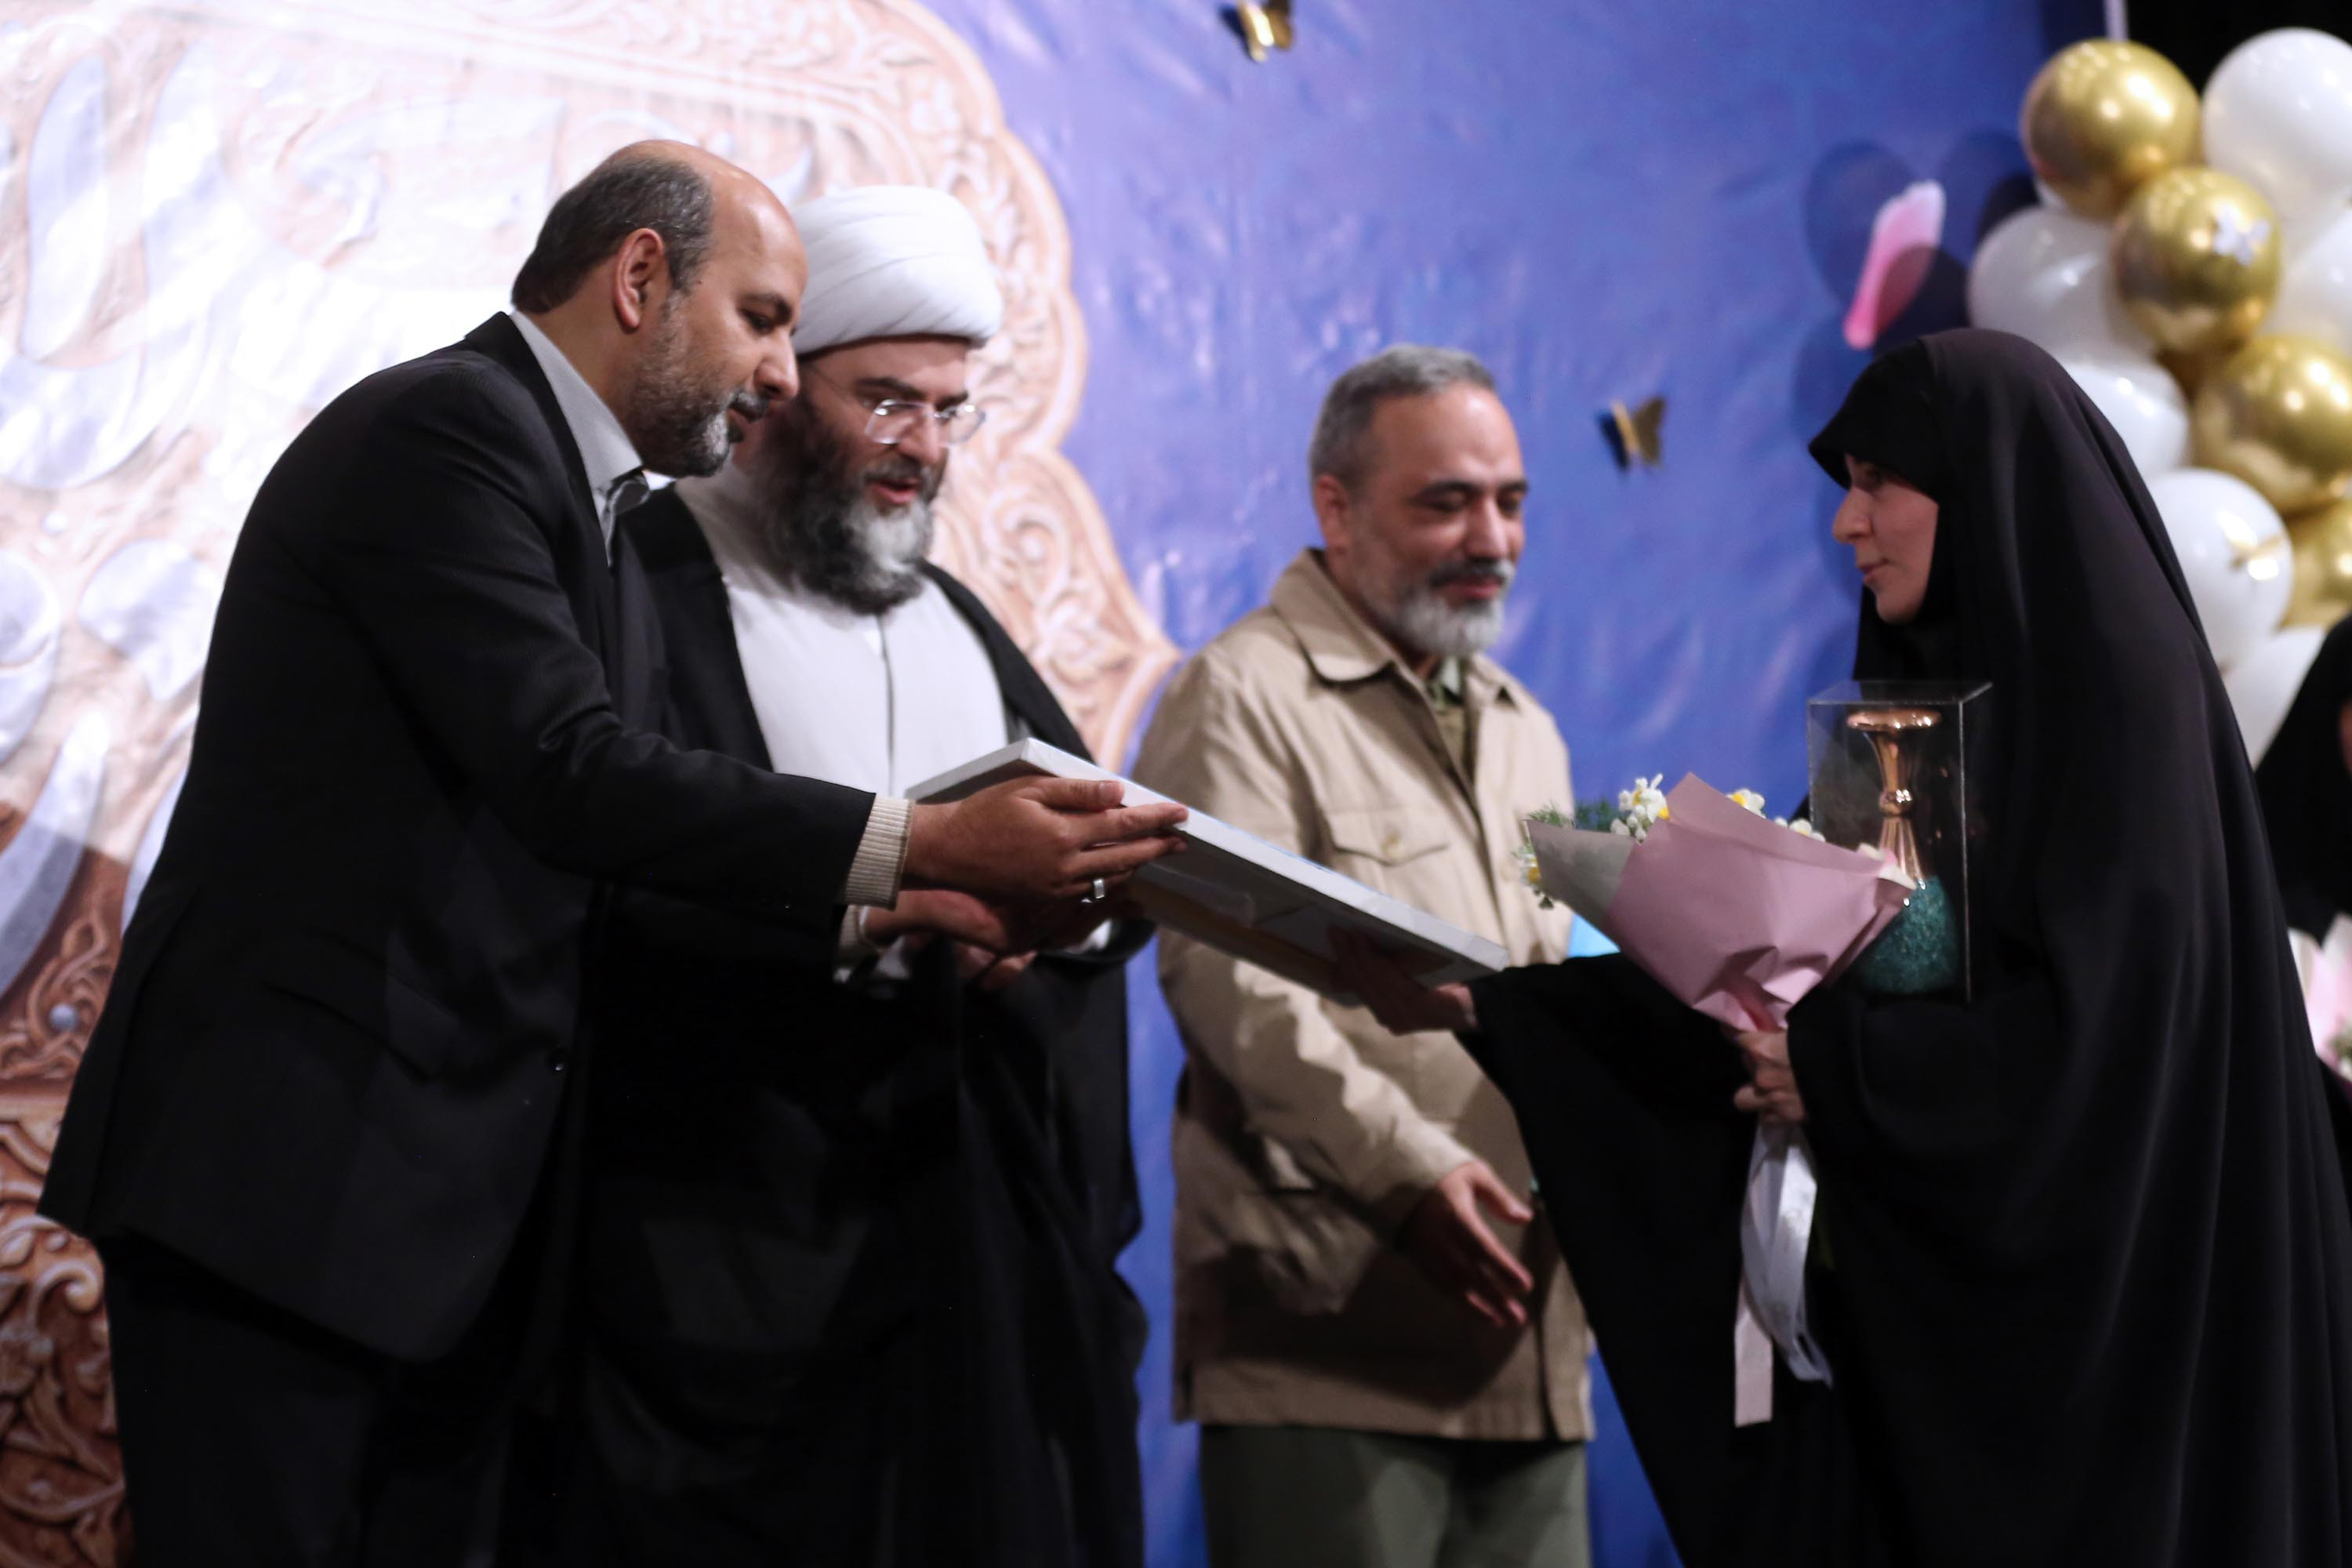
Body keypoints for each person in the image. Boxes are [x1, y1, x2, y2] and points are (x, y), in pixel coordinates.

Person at [36, 143, 1184, 1565]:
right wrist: (923, 844)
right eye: (762, 321)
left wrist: (915, 905)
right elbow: (572, 774)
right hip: (290, 1193)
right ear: (642, 277)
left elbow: (622, 855)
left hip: (437, 1230)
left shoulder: (597, 507)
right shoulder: (447, 434)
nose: (778, 375)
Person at [1341, 328, 2352, 1567]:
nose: (1846, 523)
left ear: (1980, 484)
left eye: (1880, 482)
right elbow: (1800, 977)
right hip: (1938, 1357)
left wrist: (1842, 1070)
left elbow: (2115, 1054)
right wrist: (1500, 1009)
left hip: (2115, 1382)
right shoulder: (1912, 708)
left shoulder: (2121, 701)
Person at [562, 185, 1147, 1567]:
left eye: (950, 413)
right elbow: (598, 868)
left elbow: (1093, 883)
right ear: (773, 386)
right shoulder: (641, 580)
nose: (924, 450)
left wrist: (1052, 925)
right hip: (706, 1251)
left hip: (941, 1260)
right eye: (888, 403)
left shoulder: (961, 624)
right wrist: (872, 911)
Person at [1131, 347, 1593, 1568]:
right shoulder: (1240, 695)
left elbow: (1550, 991)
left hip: (1535, 1344)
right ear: (1334, 508)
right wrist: (1403, 1172)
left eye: (1510, 501)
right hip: (1328, 1338)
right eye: (1446, 502)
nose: (1491, 539)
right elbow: (1226, 982)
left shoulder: (1527, 728)